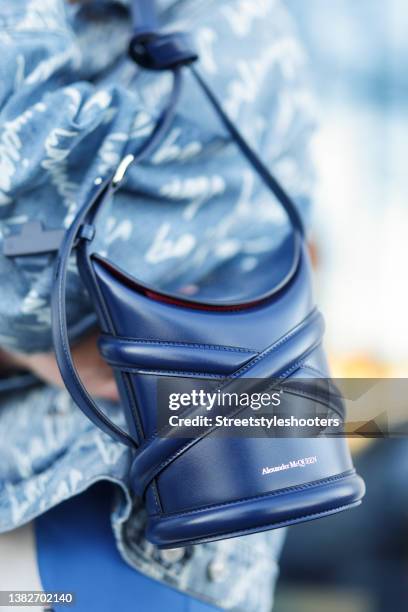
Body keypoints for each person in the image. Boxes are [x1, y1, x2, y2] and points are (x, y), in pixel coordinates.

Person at [0, 1, 315, 610]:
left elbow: (27, 281)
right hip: (230, 518)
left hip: (72, 512)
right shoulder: (259, 30)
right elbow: (304, 241)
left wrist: (38, 348)